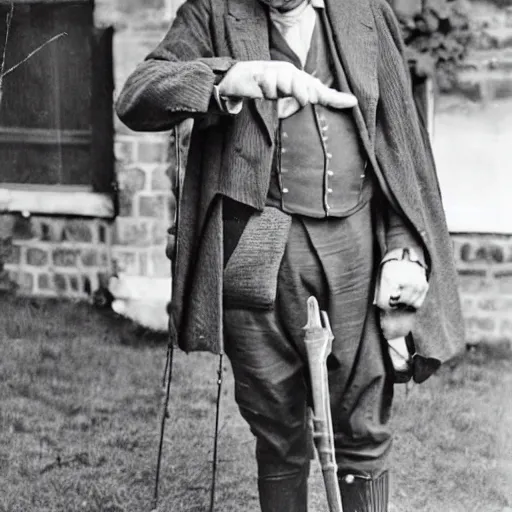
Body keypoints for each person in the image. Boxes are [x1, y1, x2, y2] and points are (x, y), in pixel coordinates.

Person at [116, 0, 464, 510]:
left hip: (356, 250)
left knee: (363, 426)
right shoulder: (212, 13)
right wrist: (235, 77)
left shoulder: (366, 13)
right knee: (277, 431)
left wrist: (403, 247)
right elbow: (137, 97)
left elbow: (401, 146)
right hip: (258, 252)